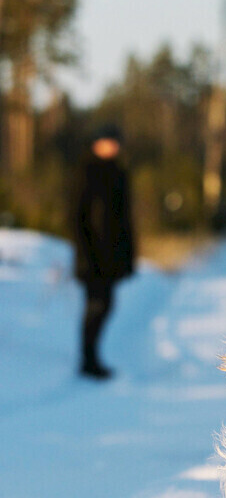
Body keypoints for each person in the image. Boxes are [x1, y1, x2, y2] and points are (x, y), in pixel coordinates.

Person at [72, 124, 135, 379]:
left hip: (112, 257)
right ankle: (88, 360)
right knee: (96, 306)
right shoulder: (85, 172)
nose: (113, 146)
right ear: (96, 143)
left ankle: (92, 357)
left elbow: (125, 221)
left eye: (115, 141)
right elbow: (78, 218)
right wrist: (85, 256)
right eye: (108, 141)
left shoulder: (119, 173)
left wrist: (128, 256)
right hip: (92, 257)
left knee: (105, 305)